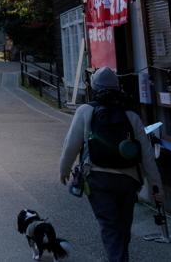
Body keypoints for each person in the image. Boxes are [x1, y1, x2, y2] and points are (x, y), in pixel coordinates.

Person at [59, 67, 162, 262]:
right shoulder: (131, 114)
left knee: (110, 227)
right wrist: (157, 186)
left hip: (97, 177)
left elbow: (71, 145)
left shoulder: (86, 110)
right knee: (122, 226)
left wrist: (63, 171)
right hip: (128, 179)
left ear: (94, 86)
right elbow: (146, 154)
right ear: (117, 86)